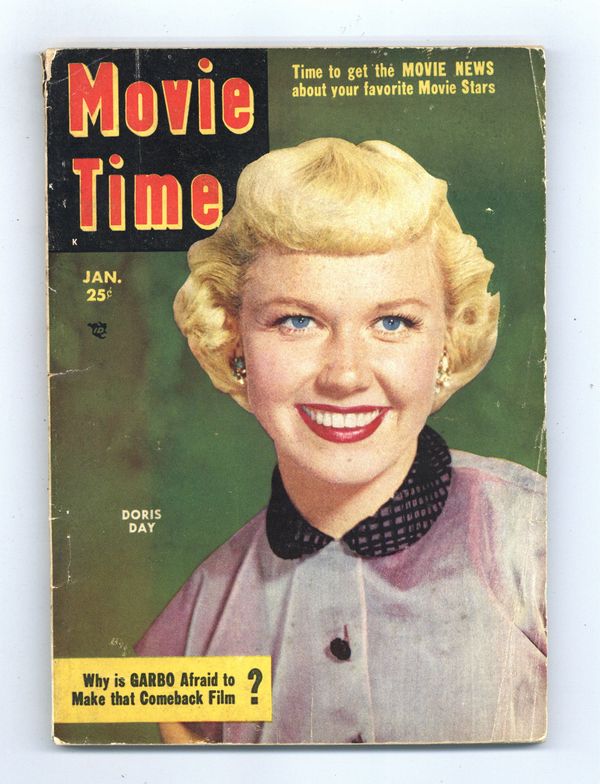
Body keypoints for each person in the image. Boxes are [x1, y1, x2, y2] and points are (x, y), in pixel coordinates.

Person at [135, 138, 546, 744]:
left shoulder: (544, 542)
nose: (346, 375)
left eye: (393, 322)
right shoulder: (195, 627)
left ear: (448, 344)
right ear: (233, 342)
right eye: (297, 321)